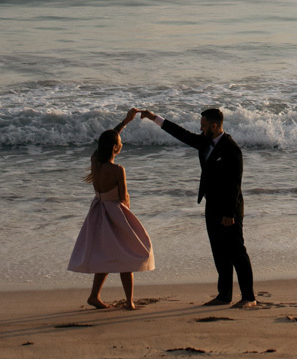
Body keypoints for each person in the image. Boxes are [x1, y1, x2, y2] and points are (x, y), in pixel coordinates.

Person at [139, 105, 256, 307]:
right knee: (219, 253)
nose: (200, 128)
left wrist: (229, 213)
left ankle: (249, 297)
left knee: (237, 252)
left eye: (203, 125)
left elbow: (234, 184)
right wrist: (153, 118)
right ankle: (224, 295)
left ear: (214, 125)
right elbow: (181, 133)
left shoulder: (231, 148)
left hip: (230, 209)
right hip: (211, 206)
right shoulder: (204, 142)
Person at [68, 107, 154, 309]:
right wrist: (128, 217)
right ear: (115, 147)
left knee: (104, 256)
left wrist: (125, 121)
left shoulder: (95, 160)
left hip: (98, 210)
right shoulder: (117, 169)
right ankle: (130, 301)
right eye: (120, 142)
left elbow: (106, 141)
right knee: (127, 255)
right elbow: (123, 197)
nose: (121, 143)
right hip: (115, 213)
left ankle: (94, 296)